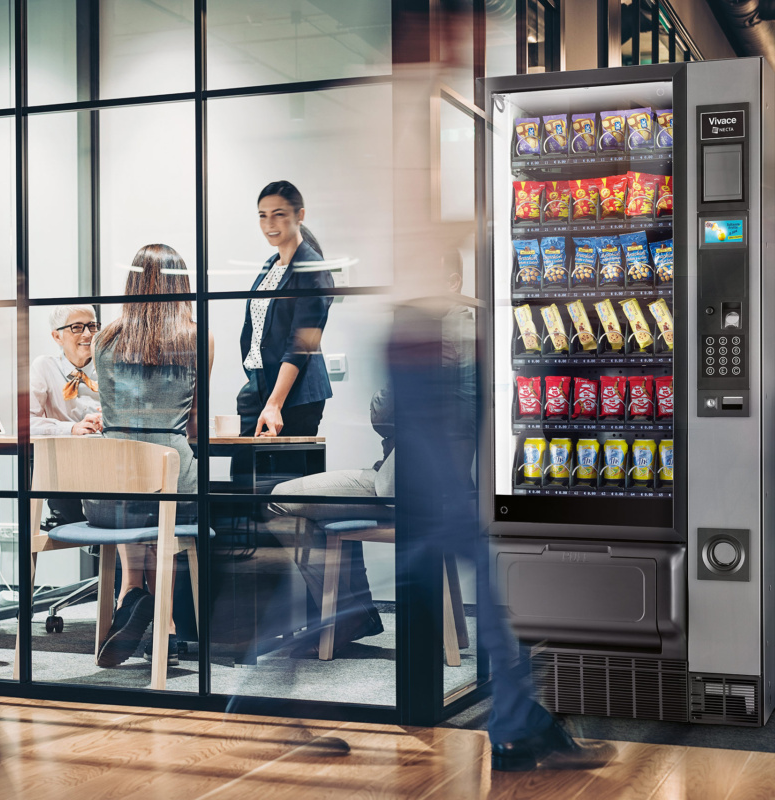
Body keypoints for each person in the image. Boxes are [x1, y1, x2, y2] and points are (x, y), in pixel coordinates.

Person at [389, 251, 615, 772]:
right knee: (483, 597)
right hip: (438, 482)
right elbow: (454, 410)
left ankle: (517, 726)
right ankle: (517, 727)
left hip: (436, 480)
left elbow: (405, 409)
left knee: (482, 598)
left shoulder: (426, 322)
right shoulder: (428, 326)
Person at [84, 244, 214, 668]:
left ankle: (130, 593)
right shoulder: (198, 335)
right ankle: (167, 624)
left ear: (131, 283)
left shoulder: (104, 337)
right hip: (168, 481)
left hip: (106, 493)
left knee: (133, 492)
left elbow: (110, 412)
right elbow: (194, 423)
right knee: (163, 503)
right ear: (182, 285)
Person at [266, 389, 393, 658]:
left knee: (277, 500)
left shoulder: (426, 371)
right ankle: (354, 613)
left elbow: (384, 413)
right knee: (322, 513)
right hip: (429, 486)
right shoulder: (457, 376)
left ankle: (348, 615)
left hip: (400, 486)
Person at [236, 181, 333, 442]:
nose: (269, 224)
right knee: (245, 476)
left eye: (278, 214)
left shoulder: (312, 268)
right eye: (262, 216)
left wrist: (275, 402)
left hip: (293, 394)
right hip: (258, 385)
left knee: (281, 480)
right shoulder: (271, 264)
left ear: (299, 216)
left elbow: (300, 344)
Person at [30, 304, 103, 526]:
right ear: (57, 336)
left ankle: (103, 541)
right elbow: (26, 423)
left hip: (107, 464)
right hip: (66, 469)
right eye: (77, 327)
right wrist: (71, 428)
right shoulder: (44, 366)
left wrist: (107, 420)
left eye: (92, 326)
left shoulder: (111, 366)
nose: (88, 334)